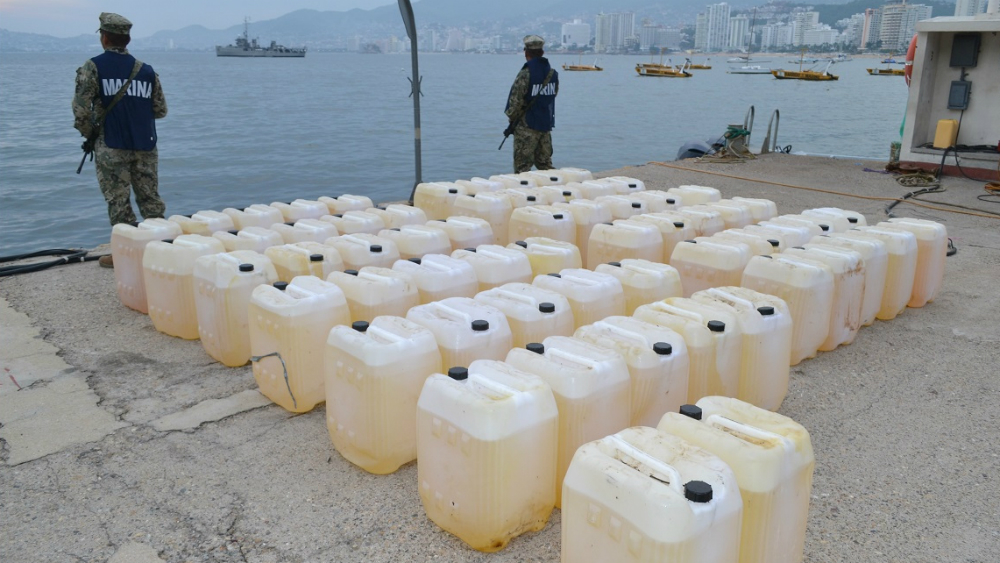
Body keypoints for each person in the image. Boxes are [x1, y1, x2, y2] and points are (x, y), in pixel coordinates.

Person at [73, 12, 168, 268]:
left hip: (111, 145)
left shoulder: (93, 67)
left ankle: (125, 255)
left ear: (104, 38)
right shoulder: (146, 71)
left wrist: (92, 135)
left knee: (118, 201)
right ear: (127, 39)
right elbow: (160, 110)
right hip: (145, 144)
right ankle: (158, 251)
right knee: (150, 200)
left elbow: (81, 112)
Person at [504, 35, 559, 173]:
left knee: (522, 169)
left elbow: (515, 102)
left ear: (526, 52)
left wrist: (512, 120)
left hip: (526, 126)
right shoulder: (552, 74)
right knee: (545, 166)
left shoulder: (525, 74)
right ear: (542, 52)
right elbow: (552, 95)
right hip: (545, 125)